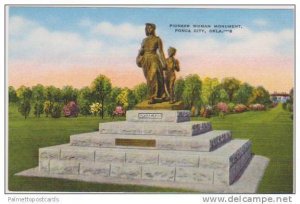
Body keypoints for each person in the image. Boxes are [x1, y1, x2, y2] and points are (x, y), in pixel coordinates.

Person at [136, 23, 167, 104]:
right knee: (149, 80)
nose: (148, 29)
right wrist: (139, 55)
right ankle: (158, 96)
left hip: (154, 59)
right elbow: (141, 51)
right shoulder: (144, 40)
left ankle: (153, 96)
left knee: (152, 76)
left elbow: (161, 52)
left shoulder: (157, 39)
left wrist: (164, 62)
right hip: (145, 60)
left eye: (150, 28)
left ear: (154, 29)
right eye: (147, 28)